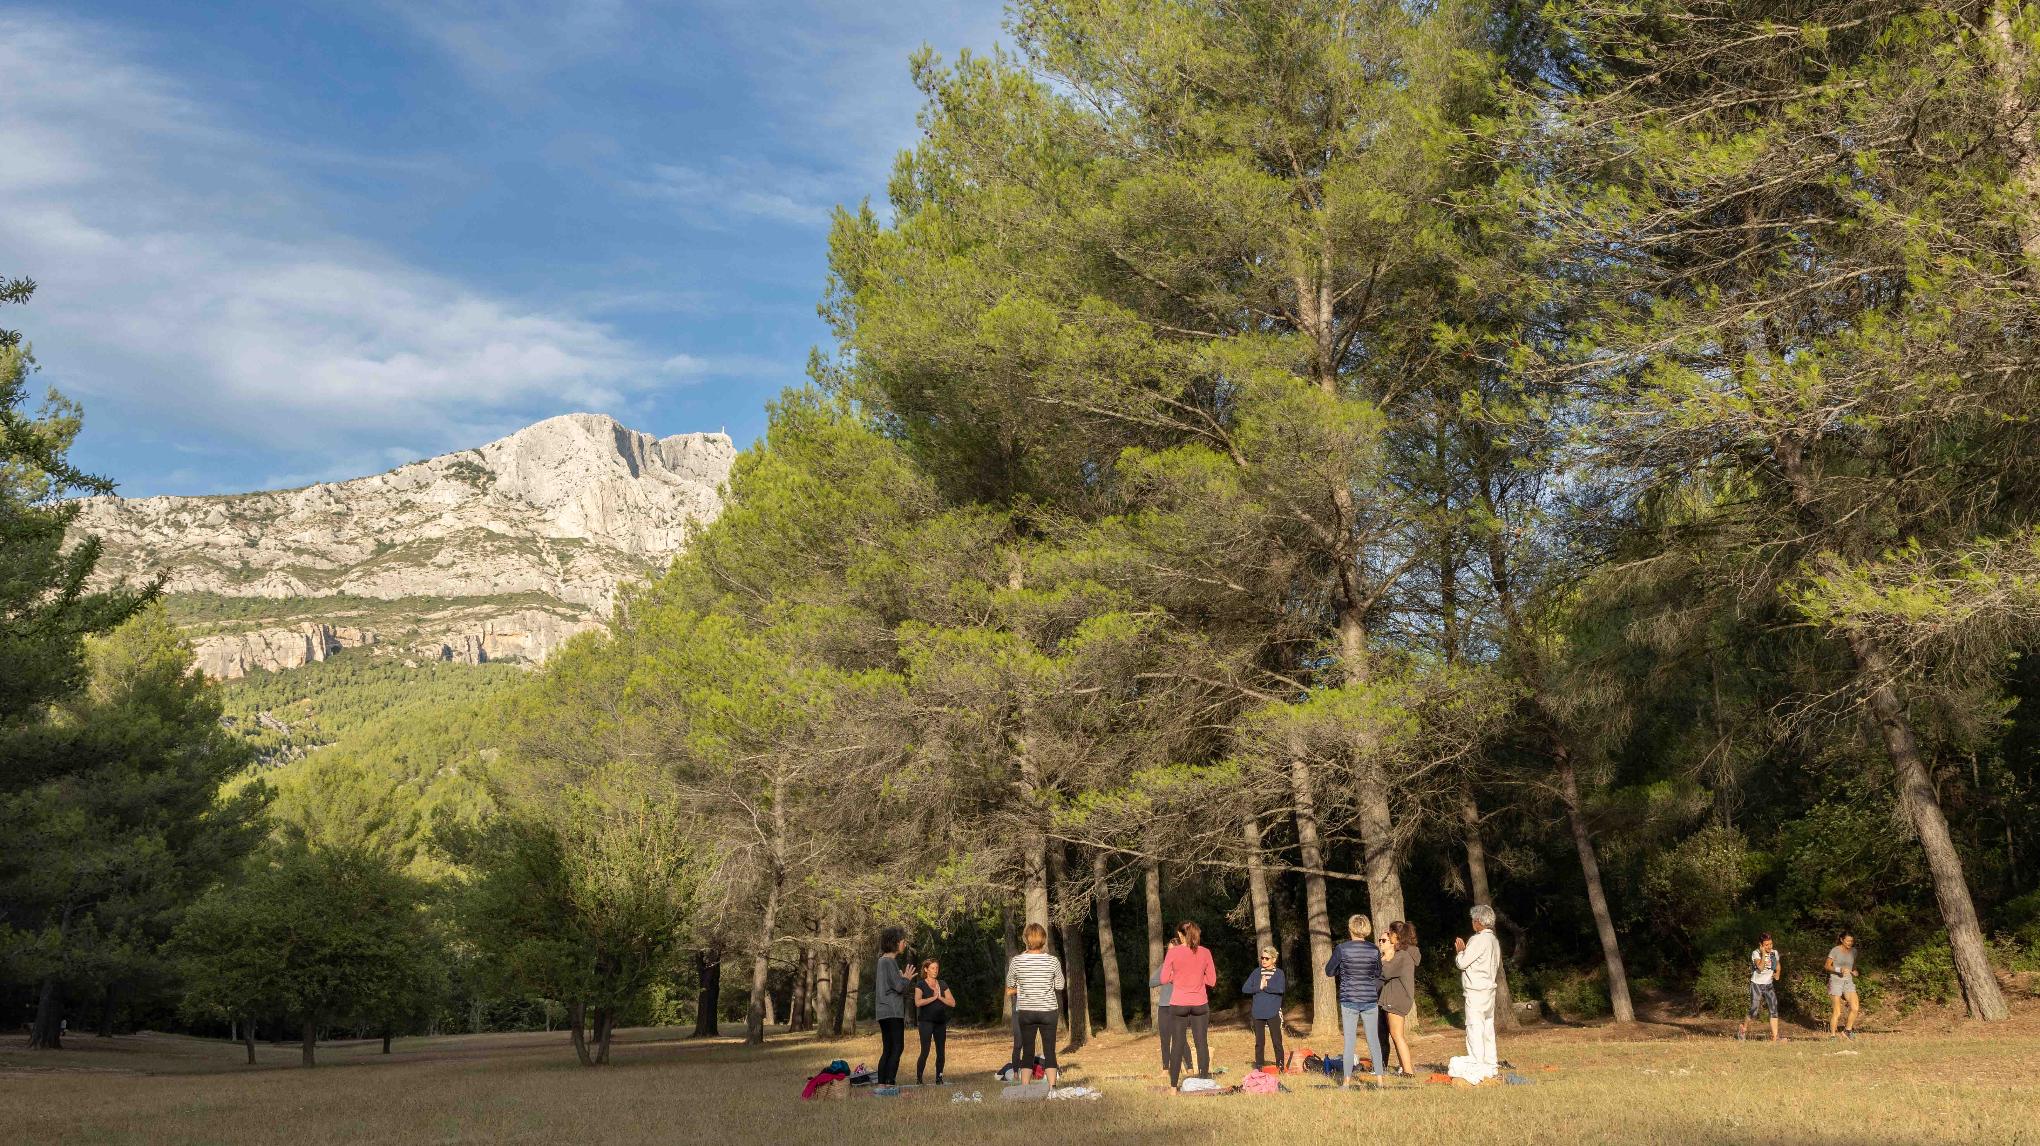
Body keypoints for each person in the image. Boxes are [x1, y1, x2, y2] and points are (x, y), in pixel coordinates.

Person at [1325, 913, 1386, 1088]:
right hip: (1369, 998)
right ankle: (1380, 1081)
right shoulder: (1374, 949)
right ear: (1366, 929)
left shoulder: (1342, 949)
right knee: (1373, 1039)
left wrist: (1342, 972)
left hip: (1349, 998)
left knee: (1349, 1041)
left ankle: (1346, 1082)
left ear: (1351, 928)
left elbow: (1329, 971)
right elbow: (1377, 973)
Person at [1005, 922, 1066, 1089]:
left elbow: (1010, 983)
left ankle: (1025, 1088)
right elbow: (1060, 985)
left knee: (1028, 1051)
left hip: (1027, 1011)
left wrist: (1024, 983)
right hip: (1048, 1010)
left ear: (1026, 940)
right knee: (1049, 1051)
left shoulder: (1017, 961)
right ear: (1044, 940)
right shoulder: (1053, 961)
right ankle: (1052, 1088)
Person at [1159, 919, 1218, 1087]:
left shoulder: (1173, 952)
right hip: (1200, 1003)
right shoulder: (1205, 952)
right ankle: (1205, 1082)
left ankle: (1173, 1087)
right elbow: (1212, 981)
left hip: (1179, 1003)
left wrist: (1176, 978)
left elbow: (1163, 978)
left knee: (1177, 1044)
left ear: (1179, 934)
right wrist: (1198, 979)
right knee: (1201, 1043)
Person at [1454, 905, 1501, 1074]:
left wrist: (1460, 952)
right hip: (1489, 989)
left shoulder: (1478, 939)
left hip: (1476, 990)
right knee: (1488, 1029)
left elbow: (1462, 963)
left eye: (1474, 920)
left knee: (1474, 1028)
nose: (1473, 923)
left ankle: (1476, 1065)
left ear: (1479, 921)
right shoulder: (1494, 940)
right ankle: (1491, 1064)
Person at [874, 928, 915, 1088]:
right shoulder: (888, 961)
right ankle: (889, 1083)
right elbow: (899, 987)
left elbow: (894, 985)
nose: (904, 943)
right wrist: (906, 978)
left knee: (888, 1048)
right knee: (897, 1047)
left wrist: (901, 978)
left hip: (884, 1011)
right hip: (892, 1011)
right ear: (895, 942)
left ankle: (882, 1084)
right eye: (903, 940)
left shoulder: (883, 961)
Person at [1379, 920, 1421, 1077]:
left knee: (1397, 1035)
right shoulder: (1407, 953)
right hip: (1398, 997)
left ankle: (1408, 1071)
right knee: (1396, 1035)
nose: (1388, 937)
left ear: (1396, 936)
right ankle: (1405, 1068)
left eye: (1389, 934)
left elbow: (1385, 973)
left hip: (1397, 998)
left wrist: (1384, 959)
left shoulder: (1402, 956)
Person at [1241, 946, 1287, 1070]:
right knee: (1259, 1043)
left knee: (1277, 1041)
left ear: (1274, 959)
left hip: (1273, 1012)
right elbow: (1245, 988)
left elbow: (1280, 989)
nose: (1264, 960)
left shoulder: (1279, 973)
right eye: (1262, 958)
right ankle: (1259, 1066)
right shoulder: (1256, 972)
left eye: (1267, 958)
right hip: (1258, 1013)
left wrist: (1266, 987)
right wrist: (1259, 987)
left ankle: (1280, 1066)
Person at [914, 958, 956, 1084]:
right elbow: (918, 1002)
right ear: (926, 969)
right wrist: (933, 998)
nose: (935, 970)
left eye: (937, 968)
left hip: (940, 1022)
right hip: (925, 1022)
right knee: (925, 1050)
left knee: (941, 1051)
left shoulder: (942, 984)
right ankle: (919, 1079)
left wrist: (940, 997)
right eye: (932, 968)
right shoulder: (920, 984)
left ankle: (939, 1078)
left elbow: (953, 1003)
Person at [1149, 927, 1184, 1075]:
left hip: (1178, 1005)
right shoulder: (1164, 966)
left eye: (1172, 950)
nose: (1169, 953)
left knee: (1180, 1038)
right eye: (1168, 950)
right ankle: (1165, 1068)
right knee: (1165, 1038)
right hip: (1164, 1007)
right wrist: (1166, 978)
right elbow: (1151, 982)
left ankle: (1187, 1066)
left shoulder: (1184, 966)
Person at [1739, 932, 1782, 1043]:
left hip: (1769, 985)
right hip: (1756, 985)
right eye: (1766, 945)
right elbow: (1761, 968)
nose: (1769, 947)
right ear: (1761, 945)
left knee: (1774, 1009)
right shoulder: (1755, 953)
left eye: (1771, 944)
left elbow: (1777, 965)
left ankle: (1775, 1037)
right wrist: (1763, 954)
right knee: (1754, 1010)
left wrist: (1778, 973)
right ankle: (1743, 1029)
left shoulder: (1774, 953)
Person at [1825, 933, 1859, 1040]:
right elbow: (1826, 966)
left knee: (1855, 1007)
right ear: (1841, 940)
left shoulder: (1854, 951)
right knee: (1837, 1012)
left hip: (1848, 981)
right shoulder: (1835, 950)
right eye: (1848, 941)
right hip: (1835, 981)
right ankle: (1833, 1036)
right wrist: (1839, 970)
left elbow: (1852, 966)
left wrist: (1854, 971)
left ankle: (1847, 1031)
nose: (1850, 943)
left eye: (1851, 941)